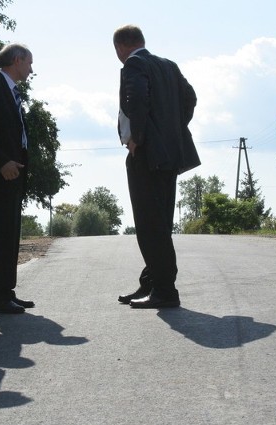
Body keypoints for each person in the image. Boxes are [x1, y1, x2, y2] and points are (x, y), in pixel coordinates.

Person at [113, 25, 200, 309]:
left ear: (121, 47)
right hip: (169, 154)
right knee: (159, 222)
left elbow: (135, 99)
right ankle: (151, 281)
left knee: (150, 225)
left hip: (147, 154)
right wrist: (172, 128)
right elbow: (190, 97)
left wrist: (138, 138)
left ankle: (164, 290)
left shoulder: (134, 63)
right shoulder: (168, 65)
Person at [0, 43, 35, 314]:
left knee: (11, 235)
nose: (31, 69)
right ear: (17, 60)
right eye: (29, 63)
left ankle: (7, 292)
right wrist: (1, 162)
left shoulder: (14, 92)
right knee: (1, 235)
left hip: (15, 173)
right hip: (1, 173)